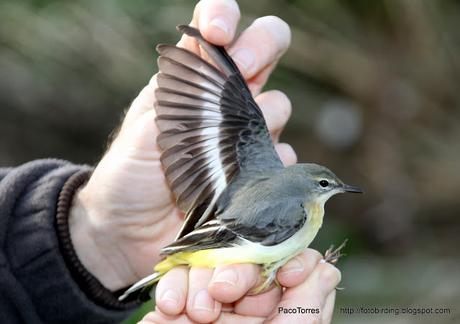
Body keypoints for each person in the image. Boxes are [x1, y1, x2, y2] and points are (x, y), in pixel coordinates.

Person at [0, 0, 341, 323]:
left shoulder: (280, 192)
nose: (333, 190)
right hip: (206, 245)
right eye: (326, 186)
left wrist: (97, 238)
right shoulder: (295, 211)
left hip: (201, 243)